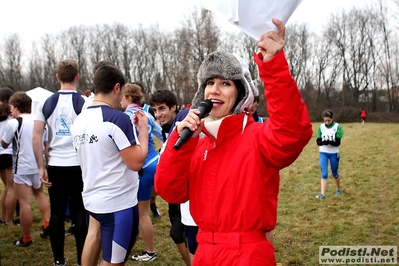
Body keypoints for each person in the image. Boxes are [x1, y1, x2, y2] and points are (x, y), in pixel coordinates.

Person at [154, 19, 312, 265]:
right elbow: (170, 191)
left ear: (241, 93)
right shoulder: (196, 142)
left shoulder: (258, 136)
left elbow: (292, 132)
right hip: (204, 251)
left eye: (225, 83)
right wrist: (180, 144)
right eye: (209, 83)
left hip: (248, 253)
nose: (214, 90)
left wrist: (273, 67)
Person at [72, 65, 148, 266]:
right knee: (114, 262)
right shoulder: (117, 119)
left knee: (93, 236)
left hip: (93, 198)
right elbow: (136, 162)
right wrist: (144, 132)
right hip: (118, 203)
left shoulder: (79, 120)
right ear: (117, 88)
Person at [32, 59, 88, 266]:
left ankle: (59, 261)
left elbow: (36, 137)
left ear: (57, 77)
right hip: (78, 165)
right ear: (77, 76)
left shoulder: (46, 102)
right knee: (80, 211)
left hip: (55, 164)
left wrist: (41, 166)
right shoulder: (85, 102)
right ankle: (83, 260)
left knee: (56, 212)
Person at [1, 92, 50, 247]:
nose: (10, 111)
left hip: (21, 167)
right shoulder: (39, 121)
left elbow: (4, 144)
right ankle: (47, 223)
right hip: (38, 165)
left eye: (11, 108)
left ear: (16, 107)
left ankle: (26, 238)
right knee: (40, 194)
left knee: (25, 204)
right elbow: (46, 143)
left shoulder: (14, 123)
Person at [121, 83, 163, 262]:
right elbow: (164, 135)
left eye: (122, 96)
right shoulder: (147, 114)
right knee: (142, 211)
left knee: (142, 213)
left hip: (142, 168)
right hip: (154, 163)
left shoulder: (124, 117)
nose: (120, 100)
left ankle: (150, 251)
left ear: (129, 98)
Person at [149, 89, 191, 266]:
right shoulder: (167, 128)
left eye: (162, 109)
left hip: (188, 189)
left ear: (173, 107)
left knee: (181, 232)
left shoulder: (183, 119)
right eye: (155, 110)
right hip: (176, 187)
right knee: (177, 233)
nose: (158, 114)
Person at [131, 81, 162, 219]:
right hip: (138, 158)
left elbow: (160, 132)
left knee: (153, 187)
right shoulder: (126, 112)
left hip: (149, 156)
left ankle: (153, 205)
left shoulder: (149, 110)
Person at [315, 110, 344, 199]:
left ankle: (338, 189)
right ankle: (322, 194)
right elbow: (318, 142)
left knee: (334, 173)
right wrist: (324, 142)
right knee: (324, 174)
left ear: (332, 119)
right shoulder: (321, 127)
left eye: (329, 120)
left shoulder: (337, 127)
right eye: (325, 120)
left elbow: (338, 143)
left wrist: (330, 142)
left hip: (333, 153)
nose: (327, 122)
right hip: (323, 152)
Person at [0, 87, 17, 226]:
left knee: (6, 187)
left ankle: (3, 216)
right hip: (8, 153)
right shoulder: (11, 117)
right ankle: (9, 220)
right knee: (11, 188)